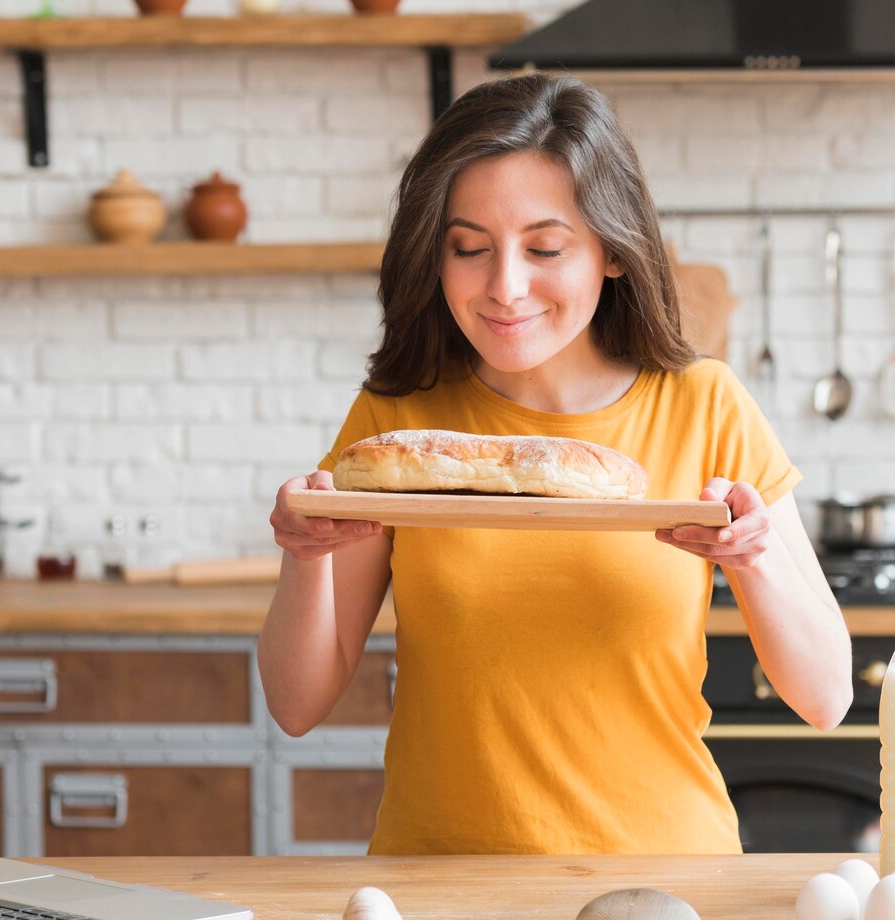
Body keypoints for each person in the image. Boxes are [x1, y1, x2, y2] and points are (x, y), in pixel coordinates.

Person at [260, 73, 852, 856]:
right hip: (439, 883)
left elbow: (828, 697)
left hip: (663, 883)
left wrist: (755, 561)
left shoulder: (703, 405)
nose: (505, 287)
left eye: (544, 248)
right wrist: (305, 558)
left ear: (612, 251)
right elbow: (297, 704)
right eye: (469, 248)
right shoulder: (398, 426)